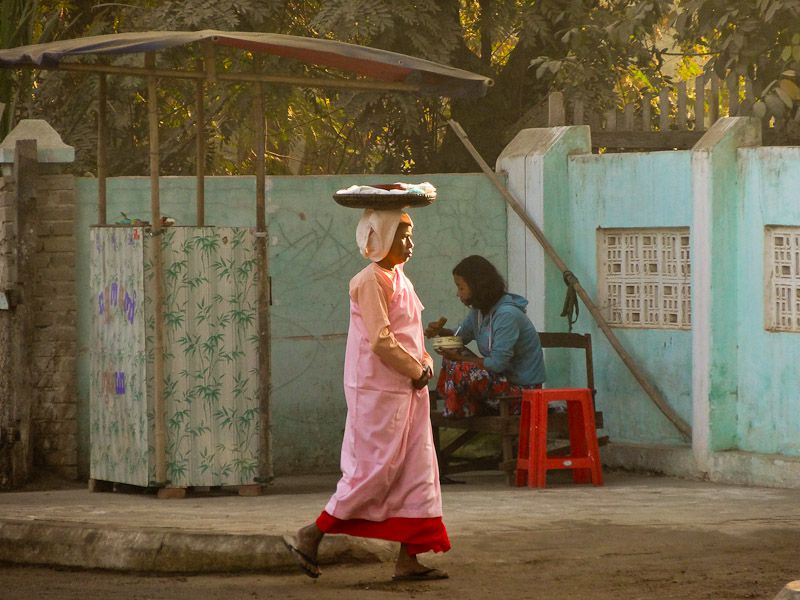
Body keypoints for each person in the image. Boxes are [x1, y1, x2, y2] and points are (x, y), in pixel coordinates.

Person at [284, 208, 450, 581]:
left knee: (416, 470)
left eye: (410, 235)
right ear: (380, 239)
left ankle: (408, 559)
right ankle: (311, 534)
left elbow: (412, 333)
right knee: (374, 470)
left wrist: (424, 363)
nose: (409, 244)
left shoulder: (400, 278)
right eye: (402, 236)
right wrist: (416, 368)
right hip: (379, 393)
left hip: (409, 390)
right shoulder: (368, 281)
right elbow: (381, 340)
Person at [425, 255, 545, 418]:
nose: (458, 294)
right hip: (501, 383)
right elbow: (460, 337)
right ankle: (461, 408)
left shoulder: (506, 315)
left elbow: (497, 364)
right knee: (452, 358)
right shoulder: (479, 312)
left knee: (461, 366)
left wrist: (461, 360)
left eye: (461, 288)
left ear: (477, 286)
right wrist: (440, 331)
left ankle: (461, 409)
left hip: (522, 392)